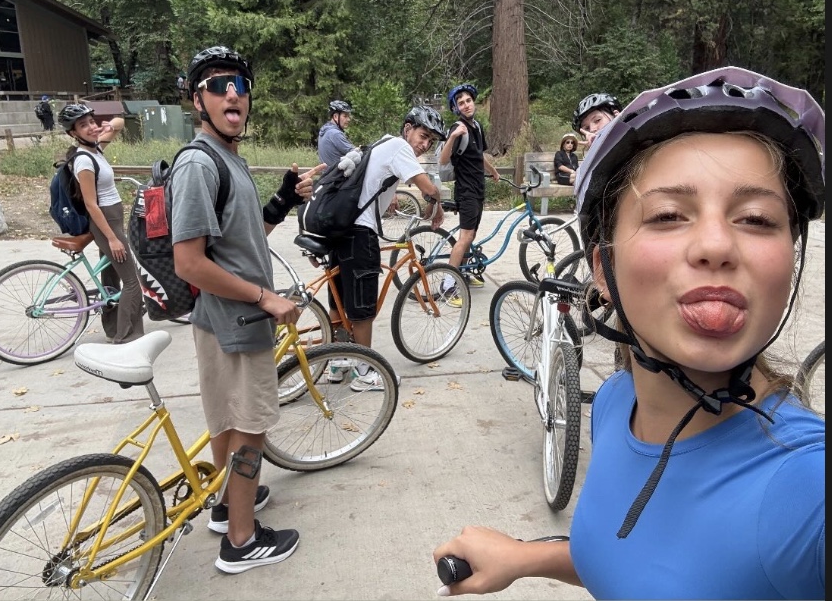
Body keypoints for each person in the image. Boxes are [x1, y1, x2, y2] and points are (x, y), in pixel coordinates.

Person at [433, 67, 825, 599]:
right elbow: (645, 560)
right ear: (603, 269)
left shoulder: (809, 489)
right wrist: (525, 557)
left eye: (756, 219)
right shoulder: (616, 402)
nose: (717, 245)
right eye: (668, 215)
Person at [170, 46, 322, 574]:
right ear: (198, 101)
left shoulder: (226, 157)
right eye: (217, 84)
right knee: (250, 428)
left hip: (226, 319)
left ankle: (227, 505)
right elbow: (189, 262)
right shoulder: (199, 163)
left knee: (226, 420)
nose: (232, 92)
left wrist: (284, 200)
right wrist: (265, 297)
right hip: (237, 320)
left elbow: (243, 237)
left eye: (239, 84)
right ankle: (241, 540)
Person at [325, 105, 446, 389]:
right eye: (423, 136)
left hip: (341, 227)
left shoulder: (383, 142)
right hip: (360, 232)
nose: (425, 145)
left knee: (339, 300)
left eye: (430, 141)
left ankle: (337, 362)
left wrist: (389, 196)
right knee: (363, 309)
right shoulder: (400, 147)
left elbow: (375, 176)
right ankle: (364, 372)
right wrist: (438, 204)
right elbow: (428, 188)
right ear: (408, 128)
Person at [57, 103, 144, 345]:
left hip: (112, 218)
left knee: (110, 280)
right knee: (132, 282)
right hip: (105, 222)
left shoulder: (95, 149)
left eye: (91, 122)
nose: (90, 127)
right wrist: (113, 238)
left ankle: (112, 329)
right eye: (83, 125)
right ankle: (126, 336)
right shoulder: (84, 161)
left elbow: (120, 123)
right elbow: (91, 204)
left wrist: (106, 127)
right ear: (73, 133)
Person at [437, 83, 500, 291]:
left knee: (470, 236)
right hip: (466, 191)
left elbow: (478, 155)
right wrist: (453, 136)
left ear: (473, 102)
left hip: (478, 189)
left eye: (468, 101)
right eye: (461, 103)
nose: (466, 105)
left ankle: (461, 272)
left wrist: (493, 171)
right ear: (456, 108)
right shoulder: (458, 128)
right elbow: (443, 160)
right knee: (465, 237)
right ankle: (448, 284)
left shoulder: (477, 127)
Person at [318, 100, 356, 168]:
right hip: (338, 174)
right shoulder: (335, 133)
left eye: (348, 116)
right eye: (345, 116)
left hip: (328, 173)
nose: (348, 119)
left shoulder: (325, 130)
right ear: (335, 116)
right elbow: (354, 153)